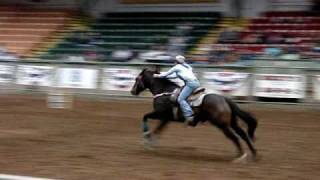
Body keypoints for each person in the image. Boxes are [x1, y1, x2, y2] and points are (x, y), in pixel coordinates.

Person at [153, 55, 200, 125]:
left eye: (174, 61)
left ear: (177, 61)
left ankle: (189, 115)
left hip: (190, 84)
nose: (174, 62)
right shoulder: (187, 67)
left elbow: (166, 74)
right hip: (196, 83)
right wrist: (162, 75)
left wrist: (156, 75)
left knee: (180, 99)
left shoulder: (177, 67)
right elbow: (174, 76)